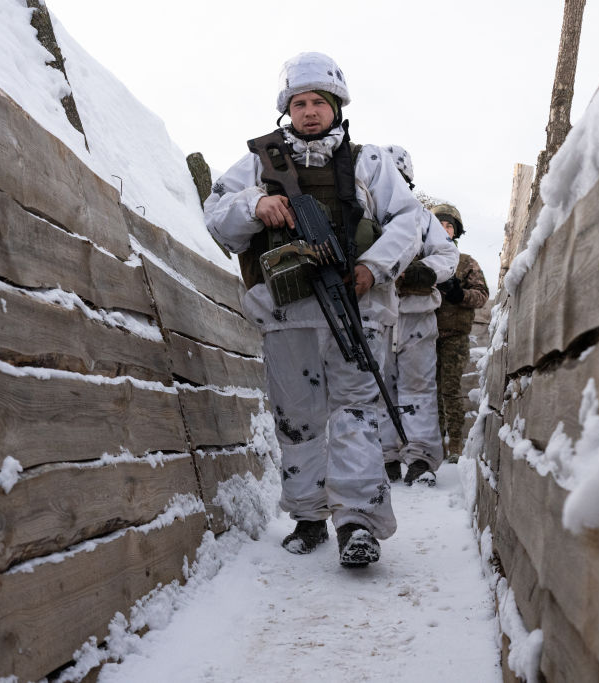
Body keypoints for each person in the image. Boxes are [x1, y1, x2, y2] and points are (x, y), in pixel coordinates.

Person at [203, 52, 421, 567]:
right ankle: (307, 516)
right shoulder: (259, 163)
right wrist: (255, 206)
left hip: (355, 309)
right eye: (298, 103)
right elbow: (216, 216)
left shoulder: (369, 162)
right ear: (287, 110)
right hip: (286, 313)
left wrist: (373, 267)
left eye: (318, 102)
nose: (308, 112)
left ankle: (357, 524)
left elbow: (409, 221)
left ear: (336, 105)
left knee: (356, 414)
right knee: (297, 418)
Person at [378, 146, 459, 487]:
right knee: (378, 386)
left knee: (418, 388)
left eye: (401, 176)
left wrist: (424, 271)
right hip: (375, 314)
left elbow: (447, 254)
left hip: (416, 313)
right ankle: (386, 457)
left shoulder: (423, 219)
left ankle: (422, 459)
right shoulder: (363, 213)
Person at [432, 203, 489, 463]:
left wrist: (459, 294)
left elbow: (482, 296)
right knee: (428, 391)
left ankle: (454, 445)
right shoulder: (422, 257)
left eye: (449, 226)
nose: (444, 230)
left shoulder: (465, 263)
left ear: (456, 232)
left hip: (454, 335)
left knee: (451, 390)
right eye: (440, 225)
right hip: (423, 335)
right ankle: (433, 445)